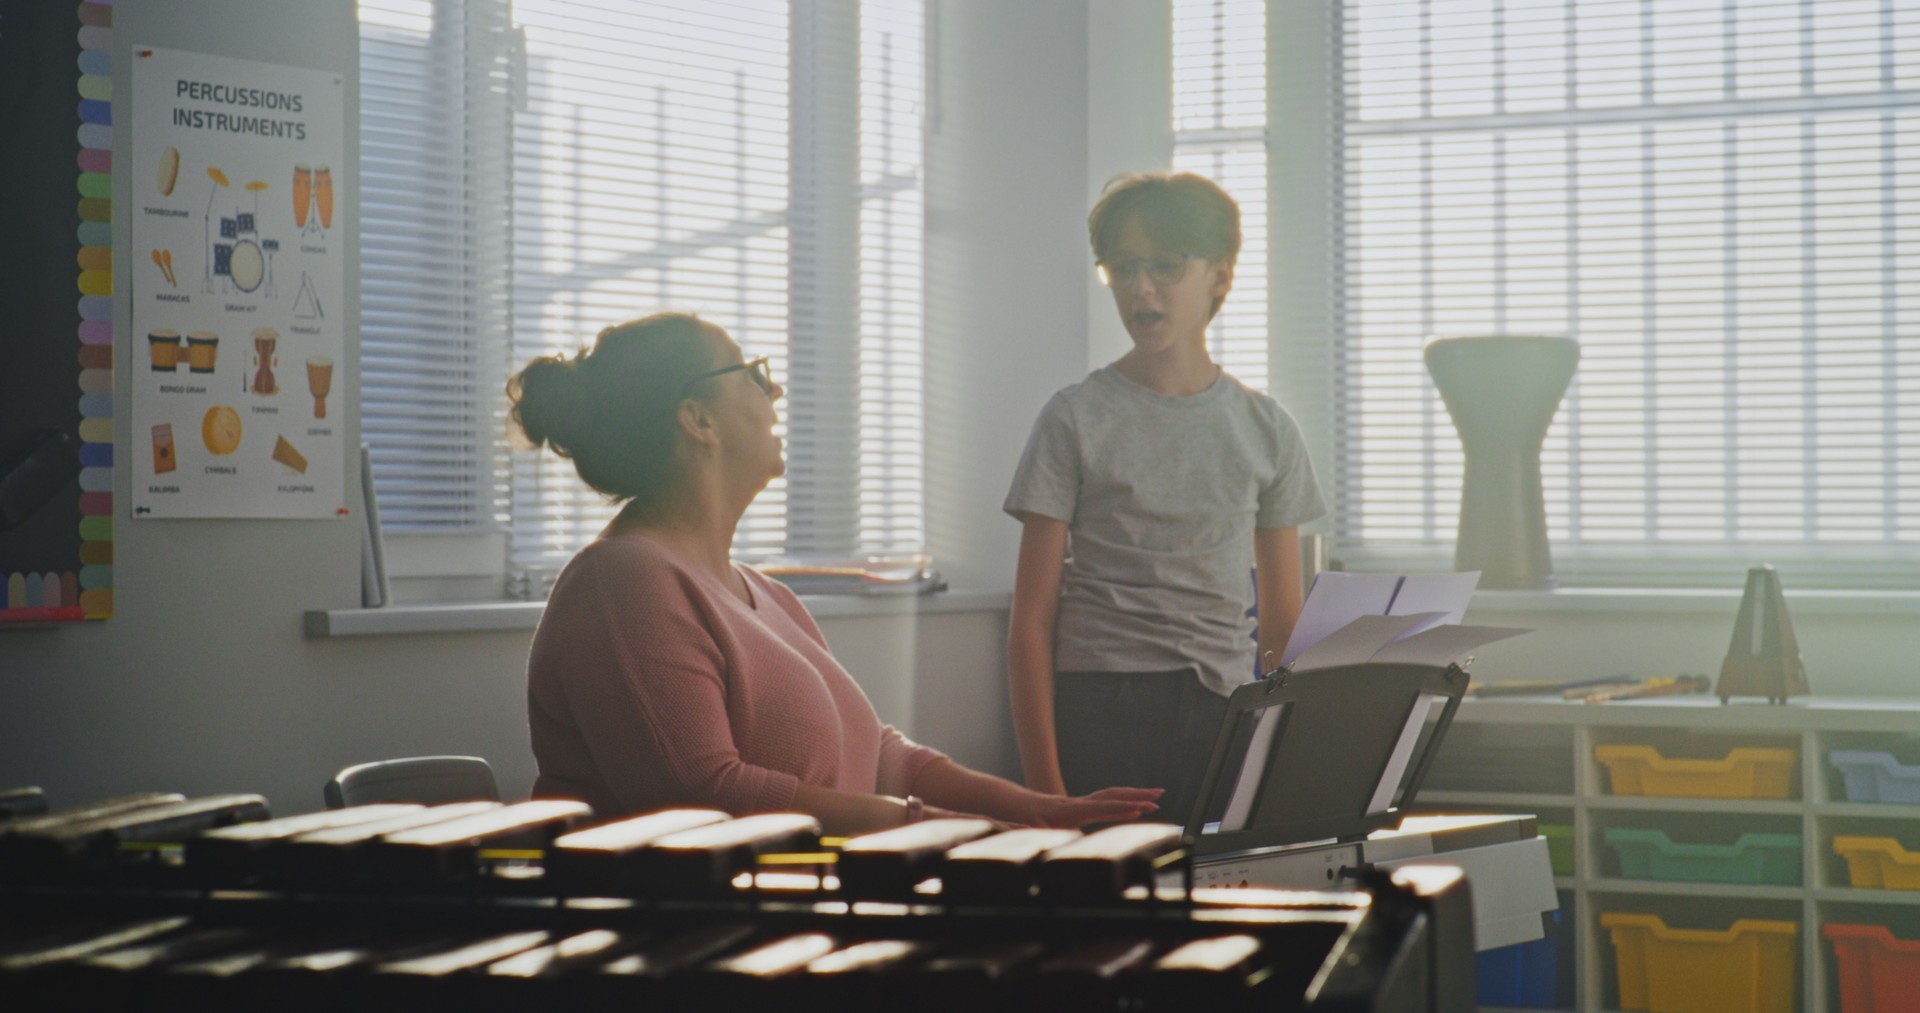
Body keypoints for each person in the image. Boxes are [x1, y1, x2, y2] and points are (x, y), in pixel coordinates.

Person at [513, 312, 1161, 835]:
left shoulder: (766, 595)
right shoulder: (623, 584)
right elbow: (707, 797)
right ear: (698, 418)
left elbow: (880, 757)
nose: (775, 392)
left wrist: (1032, 808)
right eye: (751, 373)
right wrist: (936, 828)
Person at [1002, 172, 1327, 827]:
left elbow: (1283, 623)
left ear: (1220, 275)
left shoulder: (1266, 429)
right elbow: (1031, 619)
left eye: (1166, 265)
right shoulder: (1075, 417)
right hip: (1104, 705)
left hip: (1224, 709)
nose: (1140, 287)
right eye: (1122, 267)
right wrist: (1046, 791)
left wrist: (1281, 758)